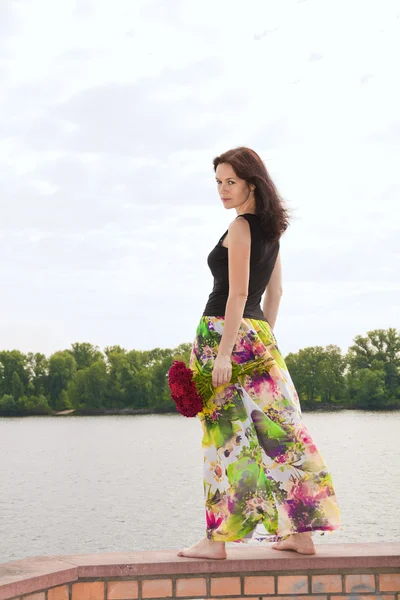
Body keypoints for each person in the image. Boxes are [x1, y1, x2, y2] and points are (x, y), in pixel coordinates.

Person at [177, 147, 341, 560]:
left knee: (225, 438)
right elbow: (275, 293)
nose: (222, 190)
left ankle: (216, 542)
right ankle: (301, 533)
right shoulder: (272, 231)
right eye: (218, 182)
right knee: (282, 431)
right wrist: (261, 344)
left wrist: (225, 354)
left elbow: (237, 293)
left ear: (252, 182)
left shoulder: (240, 228)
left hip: (222, 334)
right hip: (258, 336)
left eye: (230, 181)